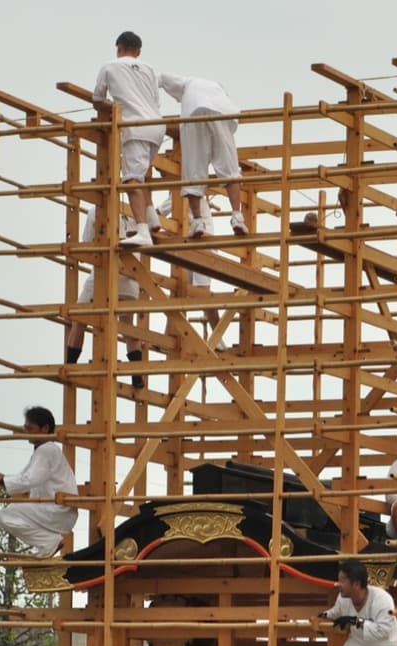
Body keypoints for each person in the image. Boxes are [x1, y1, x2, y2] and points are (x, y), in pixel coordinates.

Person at [92, 32, 165, 249]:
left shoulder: (109, 66)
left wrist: (115, 109)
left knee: (132, 179)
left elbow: (97, 99)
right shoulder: (150, 69)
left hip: (135, 126)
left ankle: (142, 231)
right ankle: (152, 220)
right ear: (139, 51)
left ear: (119, 48)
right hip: (156, 126)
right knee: (140, 175)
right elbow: (155, 100)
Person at [65, 202, 147, 384]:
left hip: (103, 276)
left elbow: (88, 242)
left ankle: (70, 364)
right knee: (127, 325)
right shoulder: (136, 211)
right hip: (130, 278)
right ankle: (137, 375)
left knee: (79, 319)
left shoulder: (96, 210)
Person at [0, 406, 79, 556]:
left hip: (57, 511)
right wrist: (1, 478)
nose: (26, 432)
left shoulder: (46, 450)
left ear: (44, 429)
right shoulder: (45, 450)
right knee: (10, 512)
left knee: (5, 515)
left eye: (30, 428)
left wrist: (1, 480)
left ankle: (48, 542)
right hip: (55, 511)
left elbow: (29, 479)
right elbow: (25, 478)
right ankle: (48, 542)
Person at [157, 71, 245, 236]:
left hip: (194, 112)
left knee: (193, 168)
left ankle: (197, 222)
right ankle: (237, 216)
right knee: (230, 166)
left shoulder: (186, 82)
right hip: (223, 113)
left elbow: (160, 78)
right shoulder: (218, 89)